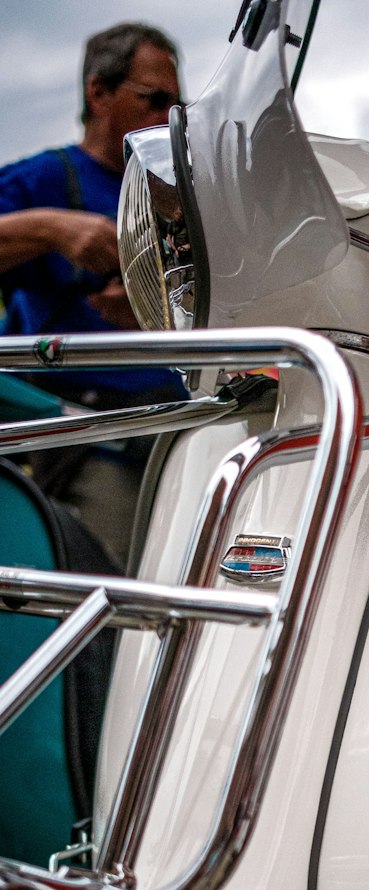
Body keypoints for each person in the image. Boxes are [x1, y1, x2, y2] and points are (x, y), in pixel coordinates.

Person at [0, 22, 186, 564]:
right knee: (131, 590)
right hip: (93, 437)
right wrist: (52, 229)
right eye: (155, 99)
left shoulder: (171, 193)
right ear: (98, 93)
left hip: (178, 423)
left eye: (178, 105)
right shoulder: (43, 179)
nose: (168, 117)